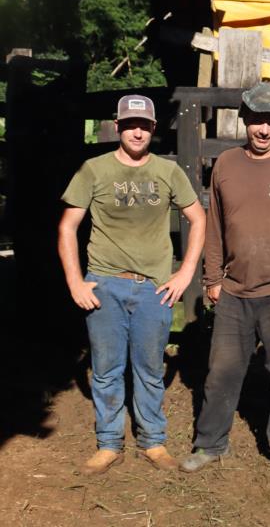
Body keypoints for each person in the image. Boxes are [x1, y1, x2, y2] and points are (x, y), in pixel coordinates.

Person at [180, 82, 270, 475]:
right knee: (221, 371)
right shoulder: (226, 163)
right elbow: (216, 226)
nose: (264, 129)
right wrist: (212, 277)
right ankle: (210, 443)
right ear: (244, 120)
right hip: (234, 290)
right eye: (257, 120)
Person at [58, 94, 206, 475]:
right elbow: (67, 227)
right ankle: (109, 443)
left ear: (153, 130)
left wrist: (186, 272)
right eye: (129, 124)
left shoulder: (168, 172)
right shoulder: (94, 170)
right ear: (118, 126)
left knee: (149, 367)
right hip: (105, 284)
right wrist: (76, 281)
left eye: (144, 125)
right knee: (106, 368)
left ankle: (153, 441)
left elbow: (198, 218)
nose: (136, 131)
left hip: (153, 288)